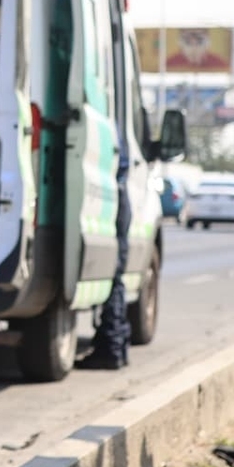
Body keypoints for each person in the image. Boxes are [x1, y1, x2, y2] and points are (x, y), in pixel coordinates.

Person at [76, 131, 131, 370]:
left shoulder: (108, 132)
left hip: (116, 199)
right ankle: (116, 346)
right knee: (116, 277)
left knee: (114, 276)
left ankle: (112, 348)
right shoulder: (116, 130)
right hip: (120, 198)